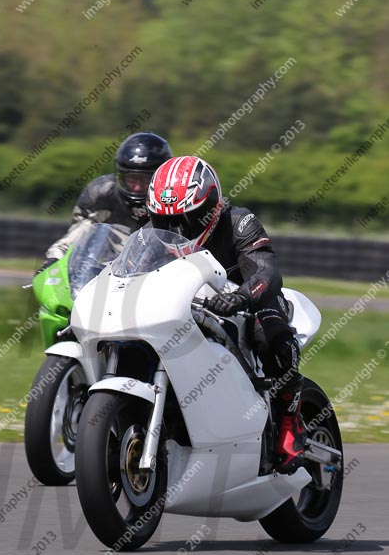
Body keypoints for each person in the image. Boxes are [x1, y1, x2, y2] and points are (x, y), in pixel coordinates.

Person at [146, 155, 306, 473]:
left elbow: (267, 272)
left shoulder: (239, 223)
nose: (175, 229)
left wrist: (239, 297)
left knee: (270, 332)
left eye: (186, 219)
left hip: (242, 304)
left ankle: (291, 419)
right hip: (181, 307)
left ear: (211, 208)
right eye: (165, 221)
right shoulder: (153, 236)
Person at [35, 132, 173, 275]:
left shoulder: (175, 195)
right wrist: (55, 258)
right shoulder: (100, 192)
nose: (137, 187)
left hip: (164, 272)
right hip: (112, 271)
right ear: (120, 174)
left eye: (145, 180)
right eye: (132, 179)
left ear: (161, 177)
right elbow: (80, 231)